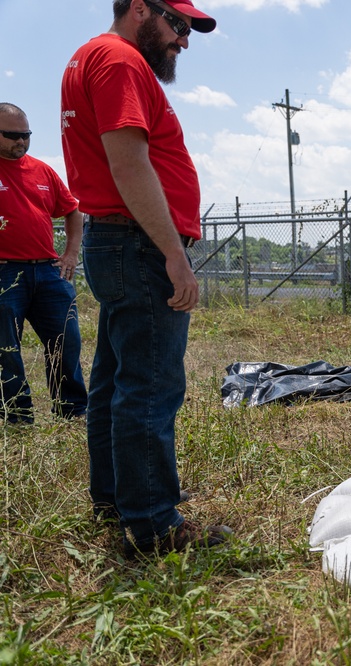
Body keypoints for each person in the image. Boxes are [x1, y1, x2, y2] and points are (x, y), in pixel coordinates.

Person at [61, 0, 230, 556]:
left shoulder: (92, 59)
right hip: (138, 243)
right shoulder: (118, 61)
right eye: (178, 25)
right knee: (152, 385)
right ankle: (154, 522)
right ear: (140, 9)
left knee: (114, 382)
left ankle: (118, 499)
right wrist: (171, 255)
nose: (183, 40)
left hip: (121, 241)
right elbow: (129, 163)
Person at [0, 103, 88, 425]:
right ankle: (18, 416)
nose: (20, 142)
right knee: (5, 348)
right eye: (12, 135)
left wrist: (71, 254)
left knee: (67, 341)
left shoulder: (43, 171)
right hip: (4, 273)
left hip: (48, 271)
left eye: (26, 135)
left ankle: (73, 410)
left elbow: (73, 210)